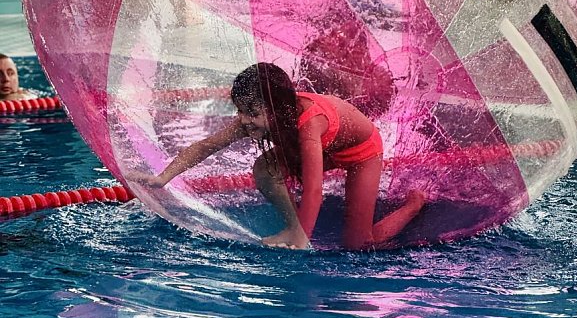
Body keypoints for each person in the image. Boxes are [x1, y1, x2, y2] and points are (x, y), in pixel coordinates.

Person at [135, 63, 427, 250]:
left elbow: (314, 188)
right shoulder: (261, 118)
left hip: (360, 152)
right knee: (264, 169)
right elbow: (206, 145)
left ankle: (414, 205)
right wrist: (163, 178)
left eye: (251, 113)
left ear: (276, 111)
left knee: (358, 245)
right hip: (326, 147)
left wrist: (303, 241)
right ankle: (292, 225)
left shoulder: (309, 124)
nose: (244, 120)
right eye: (240, 111)